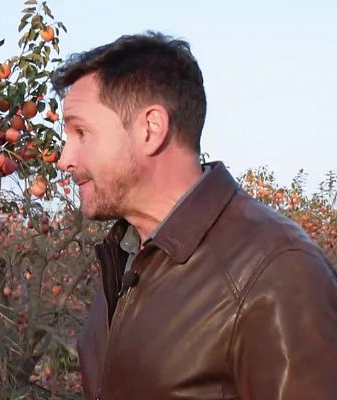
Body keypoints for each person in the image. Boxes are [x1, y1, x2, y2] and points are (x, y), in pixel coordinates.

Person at [52, 32, 337, 400]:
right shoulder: (124, 257)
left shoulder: (276, 272)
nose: (64, 159)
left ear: (150, 130)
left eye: (81, 132)